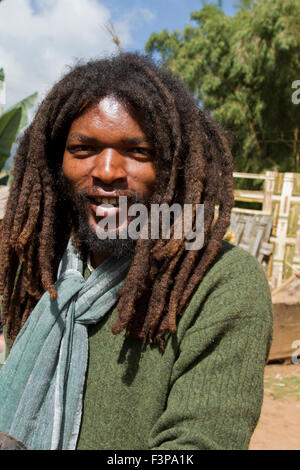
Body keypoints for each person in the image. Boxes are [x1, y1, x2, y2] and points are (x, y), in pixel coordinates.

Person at [0, 53, 273, 451]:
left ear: (174, 167)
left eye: (138, 152)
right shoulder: (38, 271)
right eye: (83, 148)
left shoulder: (222, 281)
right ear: (56, 160)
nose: (108, 170)